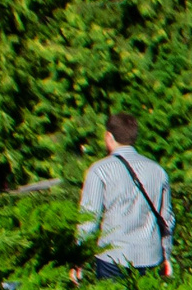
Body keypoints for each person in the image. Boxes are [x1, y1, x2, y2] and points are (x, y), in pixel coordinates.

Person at [74, 114, 175, 281]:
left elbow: (88, 220)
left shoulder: (99, 170)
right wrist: (166, 255)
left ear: (108, 136)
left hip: (112, 258)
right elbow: (167, 220)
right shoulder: (158, 171)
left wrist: (79, 260)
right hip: (150, 257)